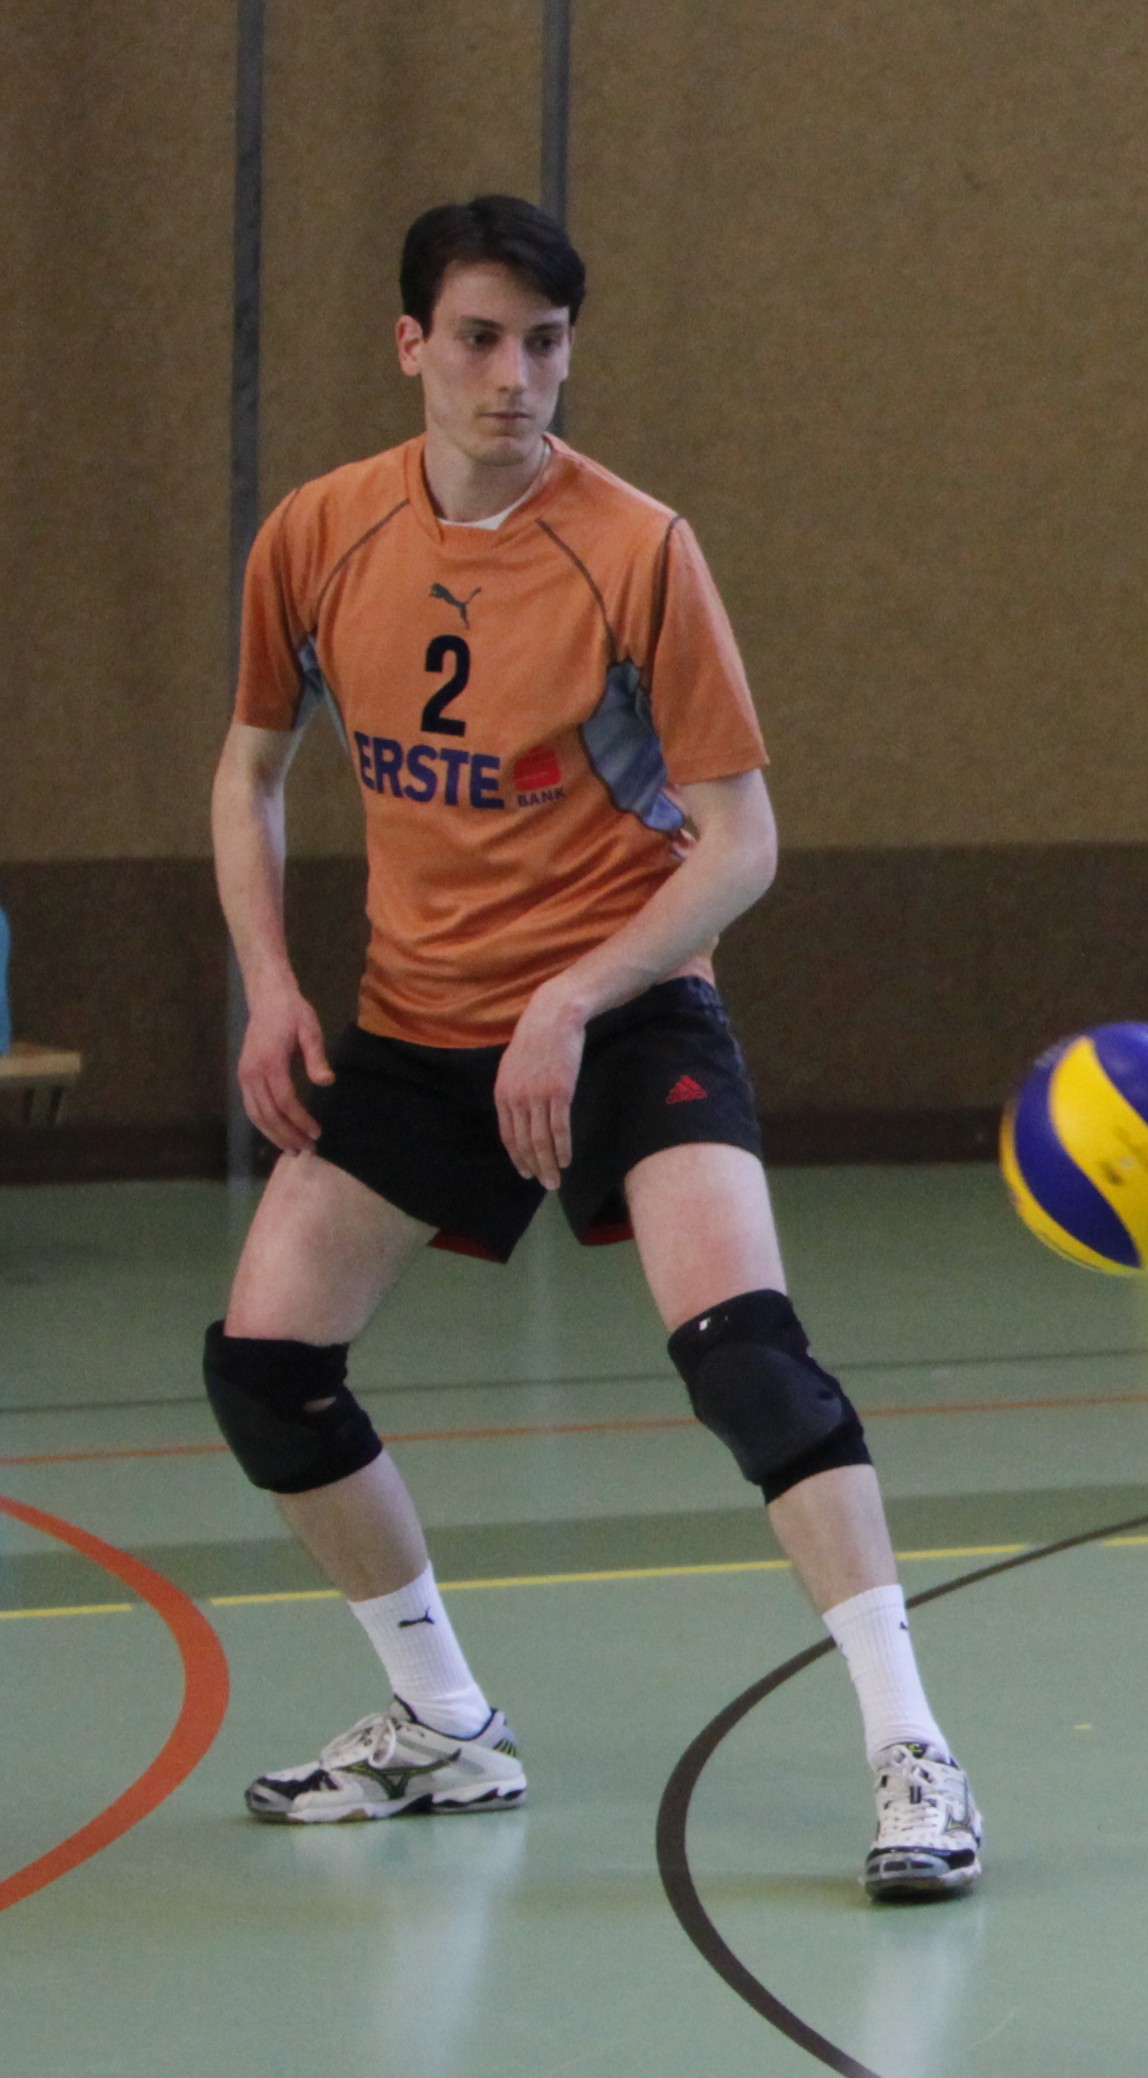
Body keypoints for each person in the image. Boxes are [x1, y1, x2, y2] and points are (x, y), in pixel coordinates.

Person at [207, 195, 978, 1902]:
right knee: (265, 1367)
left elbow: (742, 838)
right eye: (479, 339)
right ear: (411, 345)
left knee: (748, 1356)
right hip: (419, 1029)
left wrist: (572, 995)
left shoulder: (635, 549)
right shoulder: (319, 534)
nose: (513, 376)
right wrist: (268, 981)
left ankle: (912, 1749)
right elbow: (251, 767)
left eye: (544, 344)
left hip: (627, 1013)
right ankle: (442, 1720)